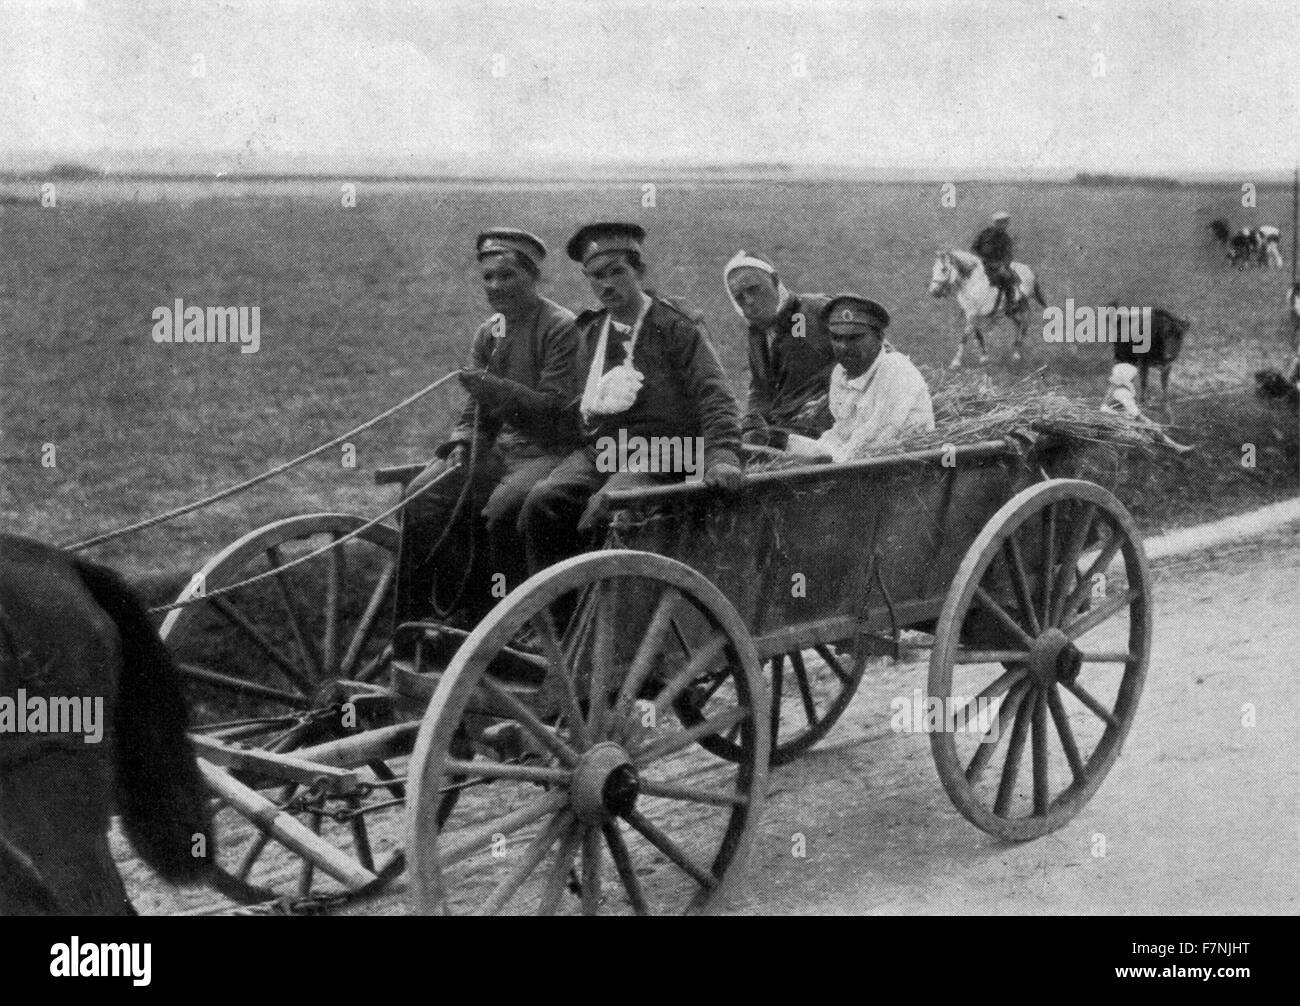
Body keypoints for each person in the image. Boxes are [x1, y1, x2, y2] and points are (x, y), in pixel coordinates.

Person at [519, 222, 744, 575]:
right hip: (608, 449)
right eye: (595, 276)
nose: (606, 284)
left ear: (638, 271)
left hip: (673, 451)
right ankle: (555, 622)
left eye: (616, 272)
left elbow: (713, 392)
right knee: (542, 502)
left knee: (608, 506)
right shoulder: (592, 332)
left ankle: (605, 616)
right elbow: (576, 405)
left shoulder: (675, 326)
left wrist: (723, 454)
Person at [393, 228, 579, 632]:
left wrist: (495, 389)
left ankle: (507, 624)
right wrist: (464, 441)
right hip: (501, 450)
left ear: (534, 277)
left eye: (507, 275)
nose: (495, 286)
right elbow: (476, 410)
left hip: (549, 452)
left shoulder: (561, 328)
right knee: (421, 497)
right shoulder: (488, 333)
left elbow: (555, 410)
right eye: (488, 277)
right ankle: (431, 614)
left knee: (502, 509)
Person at [784, 294, 934, 463]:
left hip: (905, 467)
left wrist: (820, 456)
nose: (844, 347)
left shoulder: (896, 370)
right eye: (836, 338)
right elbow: (842, 431)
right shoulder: (841, 374)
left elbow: (875, 439)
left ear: (879, 338)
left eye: (854, 338)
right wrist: (799, 448)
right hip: (864, 465)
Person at [723, 250, 837, 448]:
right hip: (786, 428)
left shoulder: (814, 309)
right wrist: (751, 423)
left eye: (754, 289)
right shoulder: (758, 335)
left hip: (824, 425)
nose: (749, 301)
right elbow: (760, 389)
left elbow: (876, 350)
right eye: (740, 297)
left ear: (775, 281)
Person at [1102, 363, 1193, 455]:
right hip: (1115, 426)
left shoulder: (1114, 387)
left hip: (1114, 421)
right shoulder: (1122, 392)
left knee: (1150, 430)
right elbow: (1138, 416)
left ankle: (1173, 447)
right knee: (1148, 435)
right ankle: (1171, 450)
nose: (1135, 379)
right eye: (1133, 377)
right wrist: (1153, 425)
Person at [971, 210, 1018, 315]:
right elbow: (974, 248)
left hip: (997, 266)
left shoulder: (1006, 239)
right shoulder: (984, 234)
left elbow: (1008, 255)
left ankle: (1010, 304)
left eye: (1005, 223)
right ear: (995, 223)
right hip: (981, 264)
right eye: (1000, 223)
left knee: (1008, 277)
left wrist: (1003, 266)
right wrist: (979, 259)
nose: (1003, 226)